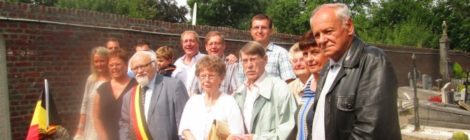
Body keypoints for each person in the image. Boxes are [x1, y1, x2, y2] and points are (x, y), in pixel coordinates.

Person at [310, 3, 400, 140]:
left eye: (328, 31)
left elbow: (370, 131)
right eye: (317, 35)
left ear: (349, 27)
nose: (322, 40)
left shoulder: (372, 61)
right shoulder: (327, 68)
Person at [230, 42, 297, 140]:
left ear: (265, 60)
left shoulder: (280, 89)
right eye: (245, 61)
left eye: (253, 59)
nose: (249, 65)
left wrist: (256, 139)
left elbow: (289, 130)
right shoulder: (239, 93)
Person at [119, 51, 189, 140]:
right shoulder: (129, 96)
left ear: (154, 65)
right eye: (135, 68)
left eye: (143, 66)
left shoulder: (174, 87)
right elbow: (125, 125)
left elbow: (185, 123)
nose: (139, 71)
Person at [179, 55, 244, 140]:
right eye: (203, 76)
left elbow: (237, 133)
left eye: (211, 76)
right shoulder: (193, 101)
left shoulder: (229, 102)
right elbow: (184, 128)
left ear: (221, 78)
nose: (206, 80)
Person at [237, 14, 296, 84]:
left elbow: (290, 83)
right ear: (251, 31)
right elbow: (240, 83)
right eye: (256, 27)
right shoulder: (244, 54)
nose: (259, 31)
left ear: (271, 31)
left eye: (264, 27)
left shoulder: (281, 53)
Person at [93, 49, 137, 140]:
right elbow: (96, 116)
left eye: (118, 64)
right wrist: (103, 137)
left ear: (126, 65)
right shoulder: (102, 89)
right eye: (111, 65)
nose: (114, 68)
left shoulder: (136, 86)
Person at [295, 30, 328, 140]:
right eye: (305, 54)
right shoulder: (307, 86)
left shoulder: (331, 86)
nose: (309, 59)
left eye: (315, 52)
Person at [74, 46, 110, 140]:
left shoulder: (113, 80)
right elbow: (84, 104)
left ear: (108, 60)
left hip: (106, 126)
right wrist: (80, 128)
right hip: (89, 126)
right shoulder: (91, 79)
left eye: (102, 61)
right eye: (96, 61)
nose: (99, 64)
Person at [172, 30, 206, 96]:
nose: (188, 44)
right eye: (185, 41)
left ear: (198, 43)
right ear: (182, 45)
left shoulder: (206, 60)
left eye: (192, 41)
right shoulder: (177, 63)